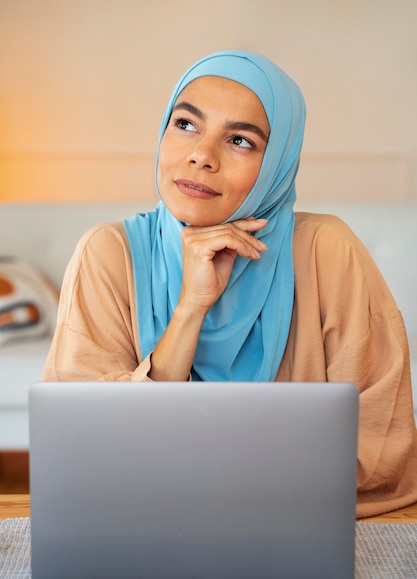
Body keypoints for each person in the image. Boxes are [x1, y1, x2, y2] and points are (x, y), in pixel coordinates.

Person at [42, 50, 417, 519]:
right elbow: (81, 446)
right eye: (185, 125)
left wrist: (223, 498)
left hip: (289, 530)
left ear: (277, 163)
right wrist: (191, 308)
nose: (201, 155)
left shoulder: (326, 250)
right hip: (147, 532)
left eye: (240, 140)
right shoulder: (107, 252)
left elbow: (381, 439)